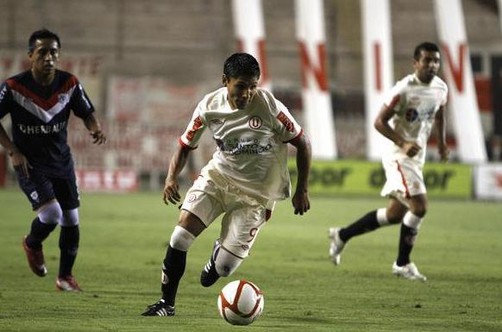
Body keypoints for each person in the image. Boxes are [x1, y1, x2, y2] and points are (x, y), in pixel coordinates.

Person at [141, 52, 311, 316]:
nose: (247, 93)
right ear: (225, 81)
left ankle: (217, 257)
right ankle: (167, 304)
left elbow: (303, 143)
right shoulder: (208, 107)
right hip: (218, 179)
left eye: (253, 86)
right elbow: (186, 144)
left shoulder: (269, 107)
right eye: (241, 86)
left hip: (257, 196)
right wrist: (171, 177)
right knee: (180, 236)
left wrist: (302, 190)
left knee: (224, 269)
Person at [328, 42, 449, 281]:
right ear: (416, 63)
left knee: (395, 215)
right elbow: (379, 122)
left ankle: (342, 235)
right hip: (399, 155)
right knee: (420, 206)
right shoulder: (403, 89)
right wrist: (403, 142)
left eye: (436, 61)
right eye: (427, 60)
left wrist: (442, 143)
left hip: (417, 157)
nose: (432, 65)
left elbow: (440, 114)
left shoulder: (441, 88)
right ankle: (402, 264)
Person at [0, 29, 107, 291]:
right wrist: (13, 149)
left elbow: (87, 113)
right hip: (30, 163)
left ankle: (65, 277)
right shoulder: (13, 88)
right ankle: (32, 243)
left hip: (61, 162)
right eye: (42, 52)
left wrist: (94, 128)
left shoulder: (69, 83)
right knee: (51, 213)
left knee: (71, 218)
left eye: (54, 52)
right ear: (30, 56)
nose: (49, 57)